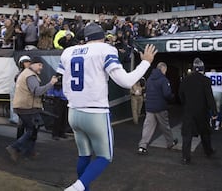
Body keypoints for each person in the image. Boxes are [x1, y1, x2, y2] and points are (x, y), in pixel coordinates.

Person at [57, 22, 157, 191]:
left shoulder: (68, 52)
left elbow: (63, 84)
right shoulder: (105, 49)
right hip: (95, 113)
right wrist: (146, 63)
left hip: (73, 111)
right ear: (102, 37)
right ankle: (77, 187)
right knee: (104, 156)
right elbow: (125, 81)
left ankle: (82, 188)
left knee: (84, 154)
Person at [6, 56, 58, 162]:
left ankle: (29, 151)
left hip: (24, 106)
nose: (41, 68)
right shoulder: (30, 76)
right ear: (33, 65)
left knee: (33, 129)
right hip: (26, 107)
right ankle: (15, 147)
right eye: (40, 65)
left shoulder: (25, 74)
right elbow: (37, 91)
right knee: (31, 130)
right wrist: (51, 84)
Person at [179, 58, 217, 165]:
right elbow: (209, 97)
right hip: (202, 111)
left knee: (187, 134)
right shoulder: (206, 80)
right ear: (202, 69)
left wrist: (185, 104)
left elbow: (180, 95)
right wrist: (214, 111)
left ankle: (186, 157)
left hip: (189, 111)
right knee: (205, 133)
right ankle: (208, 151)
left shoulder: (185, 80)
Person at [137, 62, 178, 154]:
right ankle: (170, 143)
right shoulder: (164, 80)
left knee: (148, 127)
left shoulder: (150, 79)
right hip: (160, 107)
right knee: (165, 126)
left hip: (150, 107)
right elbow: (167, 94)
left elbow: (146, 90)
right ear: (163, 69)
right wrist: (172, 96)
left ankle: (142, 146)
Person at [46, 75, 69, 140]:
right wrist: (50, 95)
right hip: (58, 99)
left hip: (65, 99)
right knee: (57, 117)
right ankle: (55, 134)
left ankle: (62, 133)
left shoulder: (67, 77)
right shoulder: (56, 77)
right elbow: (51, 87)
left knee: (64, 117)